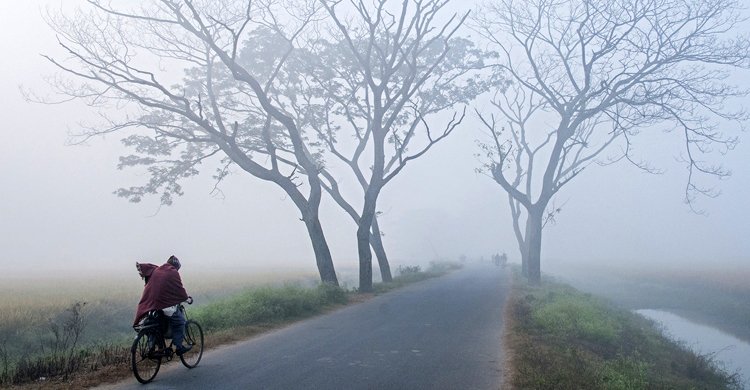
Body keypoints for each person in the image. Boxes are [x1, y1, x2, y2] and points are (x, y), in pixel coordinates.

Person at [134, 255, 193, 355]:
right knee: (180, 322)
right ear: (176, 266)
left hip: (151, 304)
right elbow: (179, 289)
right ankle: (178, 347)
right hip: (164, 304)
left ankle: (153, 346)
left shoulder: (157, 270)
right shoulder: (173, 272)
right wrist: (187, 299)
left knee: (153, 324)